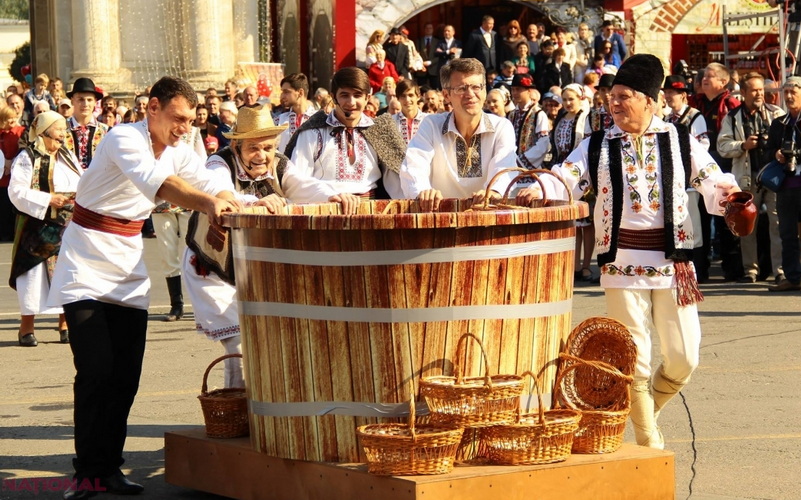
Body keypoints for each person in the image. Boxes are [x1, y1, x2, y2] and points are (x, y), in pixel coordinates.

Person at [516, 54, 740, 449]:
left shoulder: (680, 140)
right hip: (620, 264)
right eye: (611, 97)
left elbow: (712, 180)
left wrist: (734, 197)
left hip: (674, 264)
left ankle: (644, 411)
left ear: (650, 101)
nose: (614, 104)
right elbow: (565, 177)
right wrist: (540, 189)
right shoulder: (597, 144)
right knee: (634, 356)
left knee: (684, 357)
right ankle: (647, 439)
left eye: (624, 97)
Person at [48, 76, 240, 499]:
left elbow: (207, 179)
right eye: (177, 118)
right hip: (86, 261)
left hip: (129, 266)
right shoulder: (122, 136)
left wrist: (225, 195)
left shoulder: (179, 148)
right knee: (96, 369)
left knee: (126, 376)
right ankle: (88, 472)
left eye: (190, 121)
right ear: (152, 107)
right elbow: (160, 184)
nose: (184, 128)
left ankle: (110, 468)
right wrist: (210, 205)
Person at [184, 105, 288, 388]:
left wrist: (336, 195)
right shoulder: (219, 163)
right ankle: (238, 408)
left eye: (267, 147)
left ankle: (259, 407)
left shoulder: (279, 165)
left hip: (251, 267)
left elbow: (307, 186)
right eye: (253, 147)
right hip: (211, 266)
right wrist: (257, 202)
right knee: (238, 343)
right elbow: (221, 191)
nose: (262, 155)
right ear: (236, 145)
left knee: (266, 341)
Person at [283, 67, 406, 213]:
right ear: (334, 97)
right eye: (344, 95)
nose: (351, 102)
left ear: (367, 97)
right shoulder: (312, 132)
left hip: (372, 214)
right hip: (324, 214)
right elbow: (295, 181)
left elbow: (399, 180)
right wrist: (329, 195)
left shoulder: (380, 131)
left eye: (357, 95)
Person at [400, 58, 518, 210]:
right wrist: (423, 191)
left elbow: (504, 167)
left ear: (484, 91)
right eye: (461, 88)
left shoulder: (501, 126)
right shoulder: (432, 125)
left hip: (487, 217)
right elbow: (414, 165)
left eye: (476, 87)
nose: (470, 94)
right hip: (441, 219)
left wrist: (494, 192)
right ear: (446, 95)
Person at [8, 111, 80, 347]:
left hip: (66, 226)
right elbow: (16, 191)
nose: (63, 134)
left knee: (65, 274)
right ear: (45, 131)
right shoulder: (27, 157)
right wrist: (48, 199)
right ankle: (26, 328)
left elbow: (82, 179)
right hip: (36, 227)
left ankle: (64, 324)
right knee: (32, 276)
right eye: (59, 129)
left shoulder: (67, 155)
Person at [718, 72, 785, 284]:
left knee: (777, 223)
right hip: (747, 178)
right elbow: (722, 146)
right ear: (744, 93)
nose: (759, 94)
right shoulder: (733, 117)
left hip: (773, 176)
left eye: (761, 90)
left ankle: (780, 270)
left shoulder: (776, 113)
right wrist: (743, 145)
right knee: (748, 225)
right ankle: (751, 271)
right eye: (754, 90)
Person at [693, 63, 742, 282]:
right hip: (699, 170)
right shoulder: (695, 103)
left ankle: (732, 269)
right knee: (701, 220)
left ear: (723, 82)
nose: (705, 78)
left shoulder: (731, 104)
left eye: (710, 76)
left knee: (726, 218)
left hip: (724, 168)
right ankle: (700, 269)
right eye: (704, 75)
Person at [551, 84, 593, 281]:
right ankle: (574, 264)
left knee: (586, 223)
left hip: (581, 171)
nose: (567, 103)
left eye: (571, 99)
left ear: (580, 98)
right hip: (562, 168)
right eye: (565, 99)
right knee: (572, 223)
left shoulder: (585, 118)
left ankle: (586, 265)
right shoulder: (561, 118)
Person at [765, 77, 801, 291]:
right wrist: (777, 153)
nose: (788, 96)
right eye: (785, 92)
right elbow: (767, 151)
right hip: (786, 186)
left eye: (793, 92)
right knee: (786, 233)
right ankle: (793, 277)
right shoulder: (779, 124)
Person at [62, 78, 108, 170]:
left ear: (95, 102)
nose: (85, 104)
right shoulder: (61, 129)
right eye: (80, 99)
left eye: (89, 100)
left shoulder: (106, 131)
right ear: (72, 101)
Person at [508, 73, 549, 170]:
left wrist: (522, 161)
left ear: (529, 91)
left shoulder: (538, 114)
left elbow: (544, 143)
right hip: (511, 166)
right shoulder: (511, 114)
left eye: (518, 89)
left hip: (530, 169)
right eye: (513, 90)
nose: (514, 93)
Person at [0, 107, 26, 241]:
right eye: (6, 118)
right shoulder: (1, 133)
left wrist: (11, 161)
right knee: (3, 205)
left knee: (13, 205)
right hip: (2, 175)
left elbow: (24, 150)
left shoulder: (21, 132)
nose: (10, 121)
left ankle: (12, 232)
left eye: (13, 117)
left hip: (15, 174)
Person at [276, 73, 316, 153]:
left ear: (300, 93)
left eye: (286, 92)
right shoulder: (279, 121)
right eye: (282, 92)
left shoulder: (319, 119)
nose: (282, 96)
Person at [392, 80, 428, 145]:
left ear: (418, 96)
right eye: (403, 96)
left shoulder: (428, 120)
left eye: (411, 95)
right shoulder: (391, 121)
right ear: (398, 98)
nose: (407, 100)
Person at [417, 23, 441, 89]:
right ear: (424, 29)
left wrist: (430, 62)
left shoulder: (437, 41)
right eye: (427, 28)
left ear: (433, 30)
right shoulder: (419, 41)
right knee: (421, 88)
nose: (428, 30)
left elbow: (439, 56)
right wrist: (421, 64)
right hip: (422, 69)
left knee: (434, 88)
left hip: (433, 69)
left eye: (430, 28)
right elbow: (416, 54)